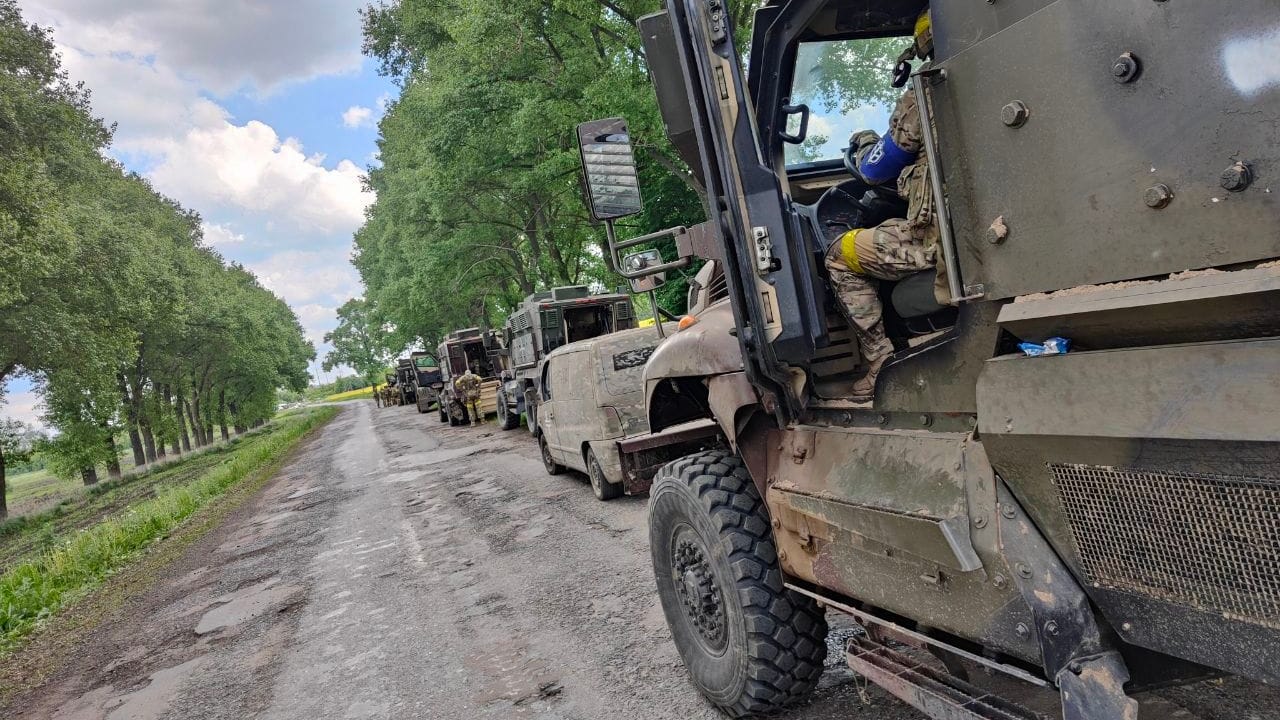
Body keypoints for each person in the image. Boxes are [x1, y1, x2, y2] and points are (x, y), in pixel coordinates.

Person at [824, 9, 949, 402]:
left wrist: (863, 143)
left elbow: (876, 169)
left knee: (840, 255)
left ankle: (879, 363)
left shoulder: (928, 87)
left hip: (943, 245)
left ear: (924, 43)